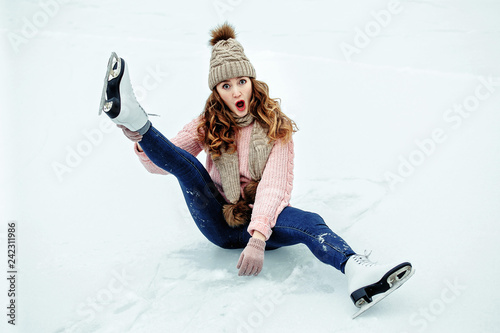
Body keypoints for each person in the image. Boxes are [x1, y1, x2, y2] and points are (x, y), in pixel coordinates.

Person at [98, 23, 414, 315]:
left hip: (263, 219)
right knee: (191, 169)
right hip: (218, 218)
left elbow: (274, 187)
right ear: (216, 92)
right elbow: (165, 163)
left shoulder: (276, 127)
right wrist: (142, 139)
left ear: (252, 82)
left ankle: (357, 270)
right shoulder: (207, 122)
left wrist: (259, 237)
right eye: (226, 85)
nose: (236, 92)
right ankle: (134, 118)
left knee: (311, 223)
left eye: (242, 82)